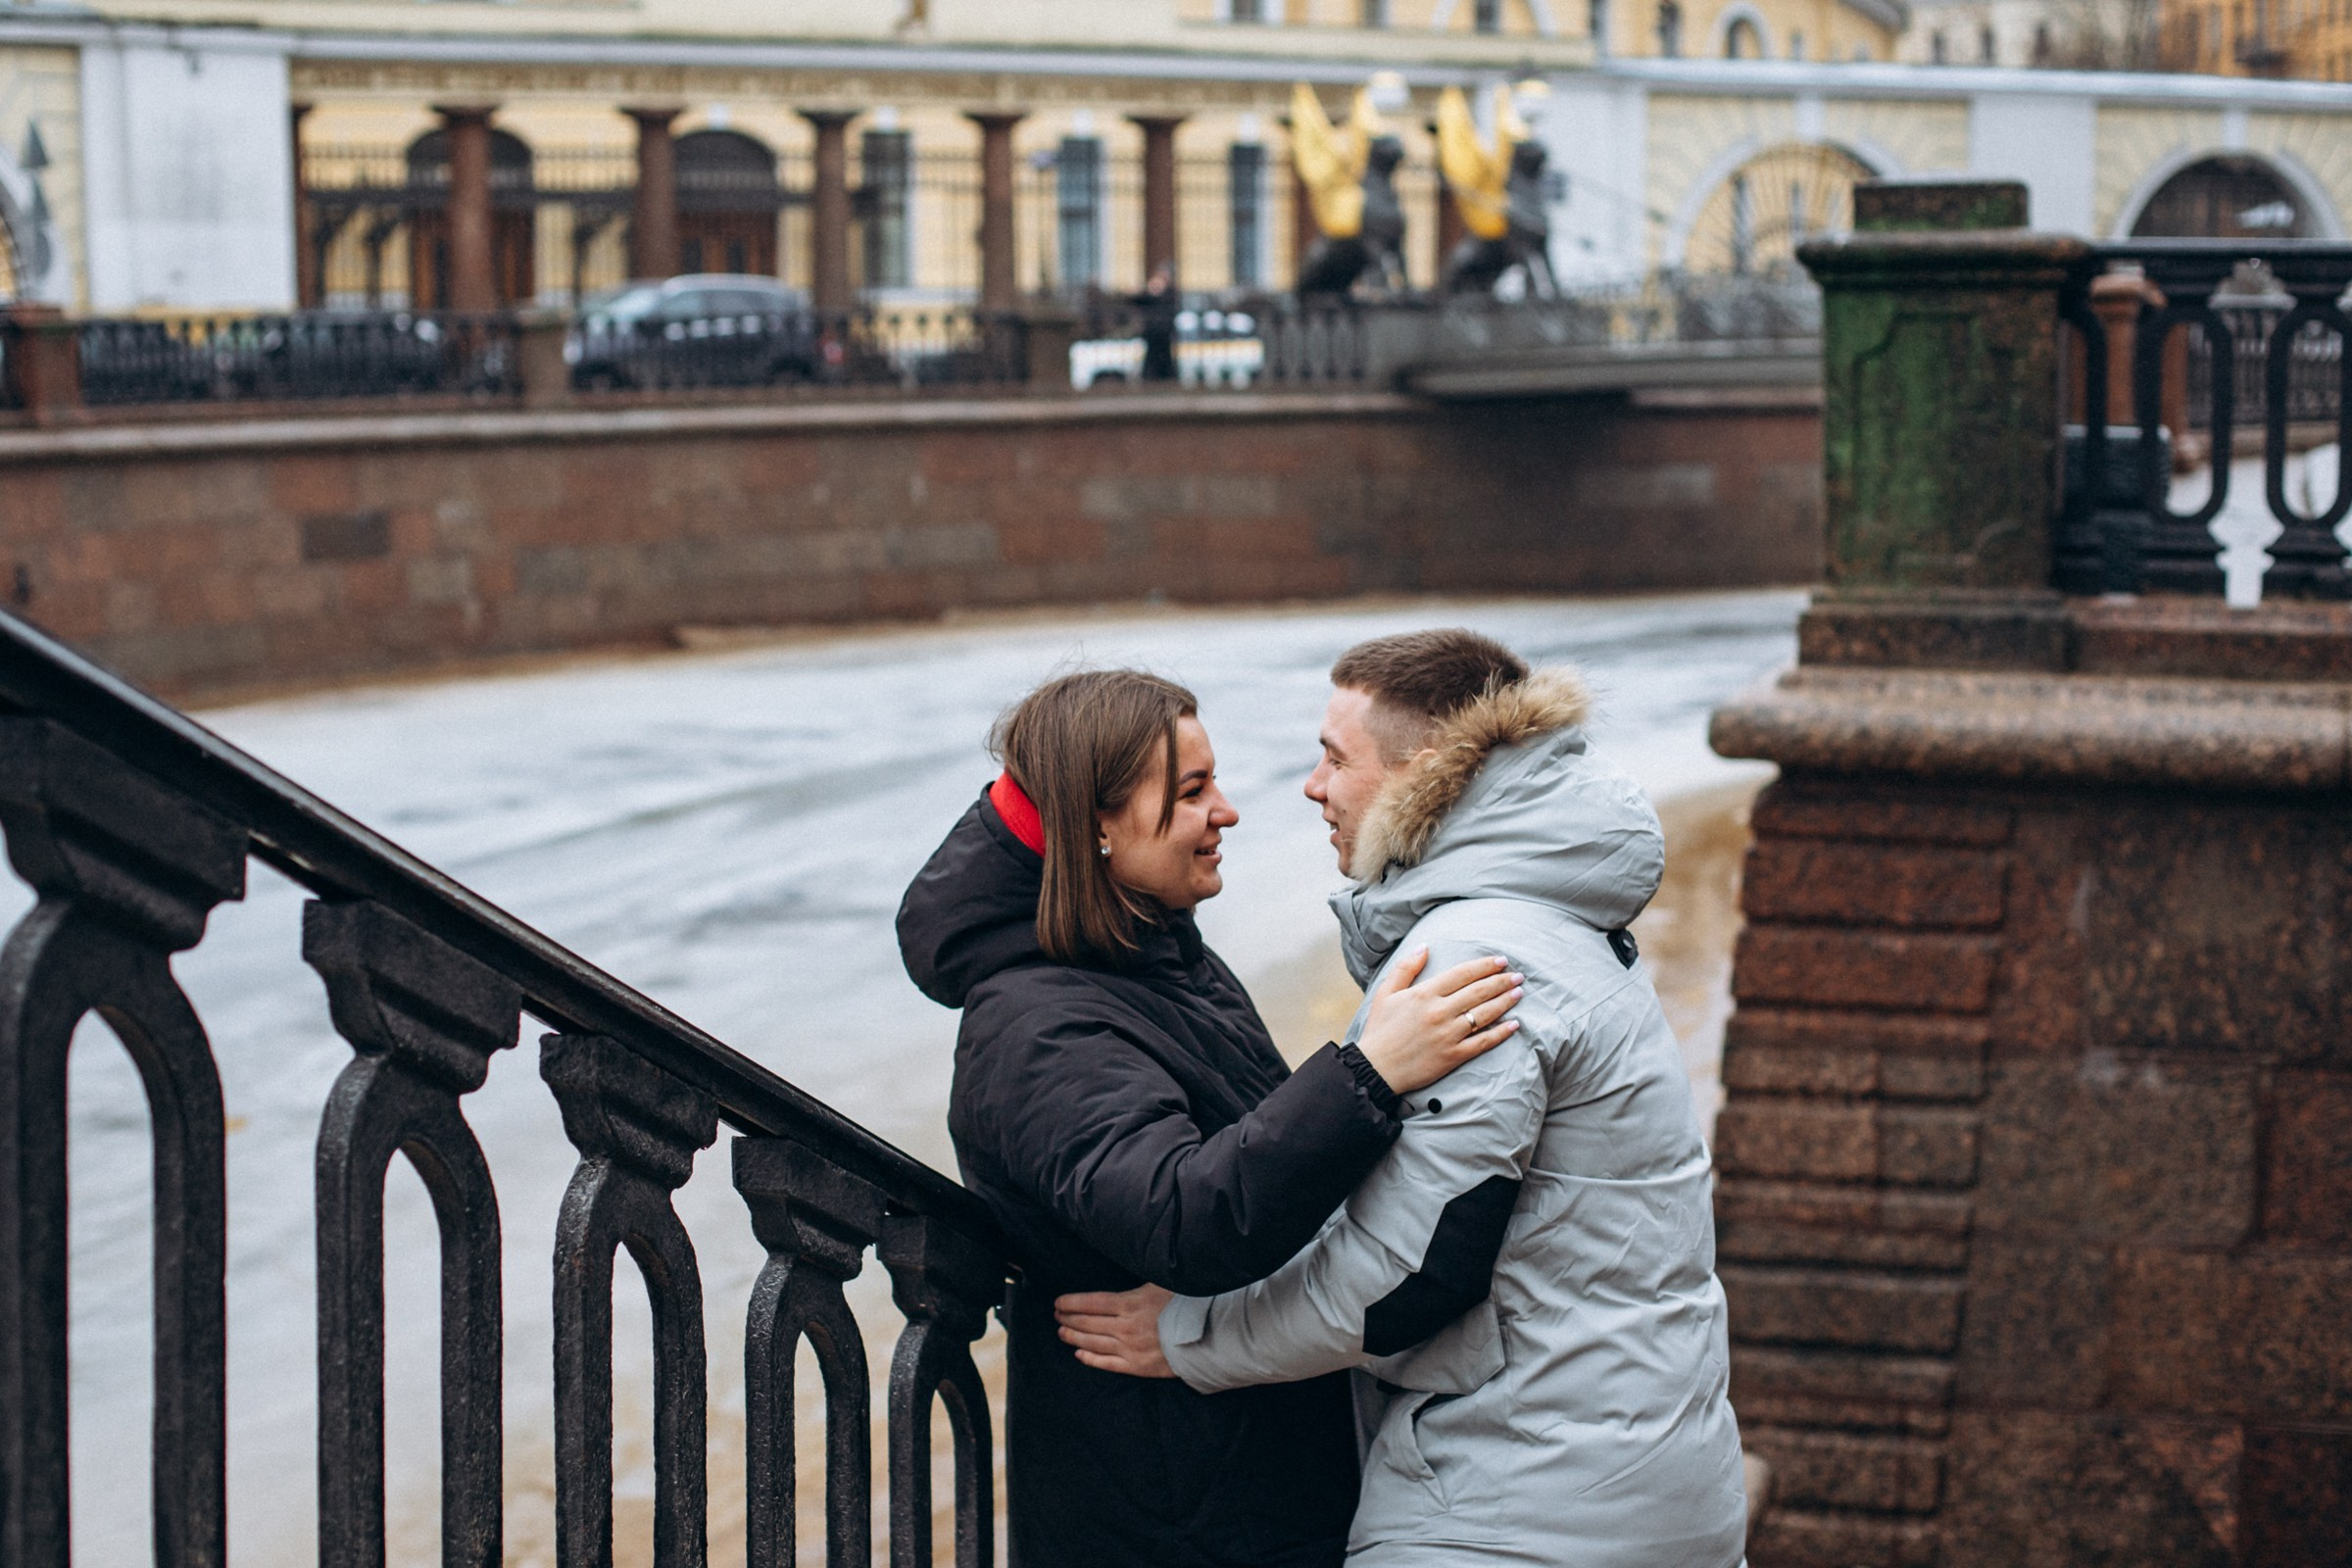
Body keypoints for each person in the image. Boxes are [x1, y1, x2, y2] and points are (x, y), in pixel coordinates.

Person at [1054, 630, 1749, 1568]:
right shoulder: (1555, 919)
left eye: (1335, 758)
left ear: (1421, 774)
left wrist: (1186, 1337)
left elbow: (1402, 1276)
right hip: (1629, 1477)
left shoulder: (1475, 960)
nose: (1311, 786)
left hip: (1518, 1512)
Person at [896, 668, 1526, 1568]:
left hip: (1234, 1470)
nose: (1227, 811)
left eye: (1215, 782)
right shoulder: (1036, 1027)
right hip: (1174, 1512)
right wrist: (1368, 1071)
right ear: (1098, 828)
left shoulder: (1156, 956)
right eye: (1191, 792)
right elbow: (1189, 1217)